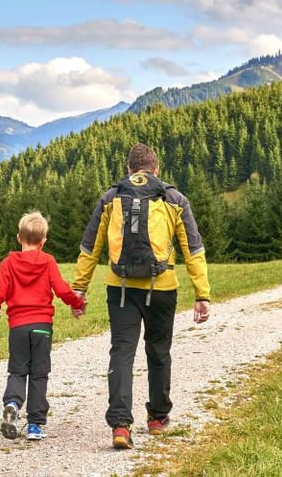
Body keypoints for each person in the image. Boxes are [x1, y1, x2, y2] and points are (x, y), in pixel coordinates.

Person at [71, 143, 211, 449]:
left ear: (128, 170)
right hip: (162, 288)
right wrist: (202, 294)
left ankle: (121, 425)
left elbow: (90, 246)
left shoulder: (111, 197)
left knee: (122, 351)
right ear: (156, 170)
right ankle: (158, 418)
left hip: (120, 288)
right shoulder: (174, 198)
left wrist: (79, 289)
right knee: (158, 350)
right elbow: (193, 249)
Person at [0, 211, 86, 442]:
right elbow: (61, 290)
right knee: (39, 374)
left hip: (18, 326)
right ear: (43, 242)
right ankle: (35, 425)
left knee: (18, 370)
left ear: (19, 238)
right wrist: (77, 302)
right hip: (41, 326)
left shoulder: (9, 263)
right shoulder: (48, 261)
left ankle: (12, 403)